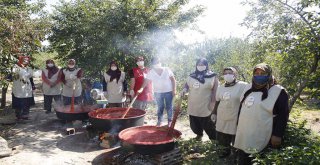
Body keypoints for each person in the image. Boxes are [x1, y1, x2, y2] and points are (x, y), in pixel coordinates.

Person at [234, 63, 289, 165]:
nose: (259, 76)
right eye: (257, 73)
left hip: (263, 134)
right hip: (245, 132)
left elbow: (283, 115)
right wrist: (237, 125)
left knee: (259, 160)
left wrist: (277, 134)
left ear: (268, 74)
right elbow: (242, 108)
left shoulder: (278, 91)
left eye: (262, 73)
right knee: (243, 158)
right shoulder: (248, 88)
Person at [212, 67, 247, 158]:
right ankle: (223, 153)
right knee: (222, 136)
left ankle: (236, 156)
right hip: (222, 116)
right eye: (225, 73)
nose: (227, 75)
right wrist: (214, 113)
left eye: (230, 73)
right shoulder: (221, 87)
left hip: (235, 117)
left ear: (235, 74)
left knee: (235, 137)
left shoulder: (243, 86)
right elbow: (217, 101)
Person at [181, 58, 218, 141]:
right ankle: (199, 135)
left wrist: (213, 102)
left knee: (208, 123)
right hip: (193, 103)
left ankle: (214, 139)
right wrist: (184, 89)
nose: (200, 66)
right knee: (194, 121)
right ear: (196, 65)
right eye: (199, 64)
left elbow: (215, 90)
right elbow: (187, 84)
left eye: (203, 65)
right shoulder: (192, 75)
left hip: (206, 103)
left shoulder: (212, 76)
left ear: (206, 65)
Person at [138, 57, 176, 126]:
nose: (157, 64)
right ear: (152, 64)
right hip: (157, 92)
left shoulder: (167, 69)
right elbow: (146, 81)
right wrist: (141, 88)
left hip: (168, 91)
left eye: (158, 62)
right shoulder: (151, 72)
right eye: (155, 63)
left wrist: (174, 90)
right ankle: (159, 121)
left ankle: (170, 121)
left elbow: (173, 80)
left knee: (169, 106)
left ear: (160, 62)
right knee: (160, 107)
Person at [11, 56, 34, 120]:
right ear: (21, 60)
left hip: (27, 88)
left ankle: (25, 115)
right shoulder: (15, 67)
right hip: (18, 87)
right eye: (24, 60)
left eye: (27, 61)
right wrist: (24, 72)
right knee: (18, 102)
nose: (26, 62)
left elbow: (31, 75)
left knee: (27, 102)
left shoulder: (28, 68)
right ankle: (18, 115)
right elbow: (16, 75)